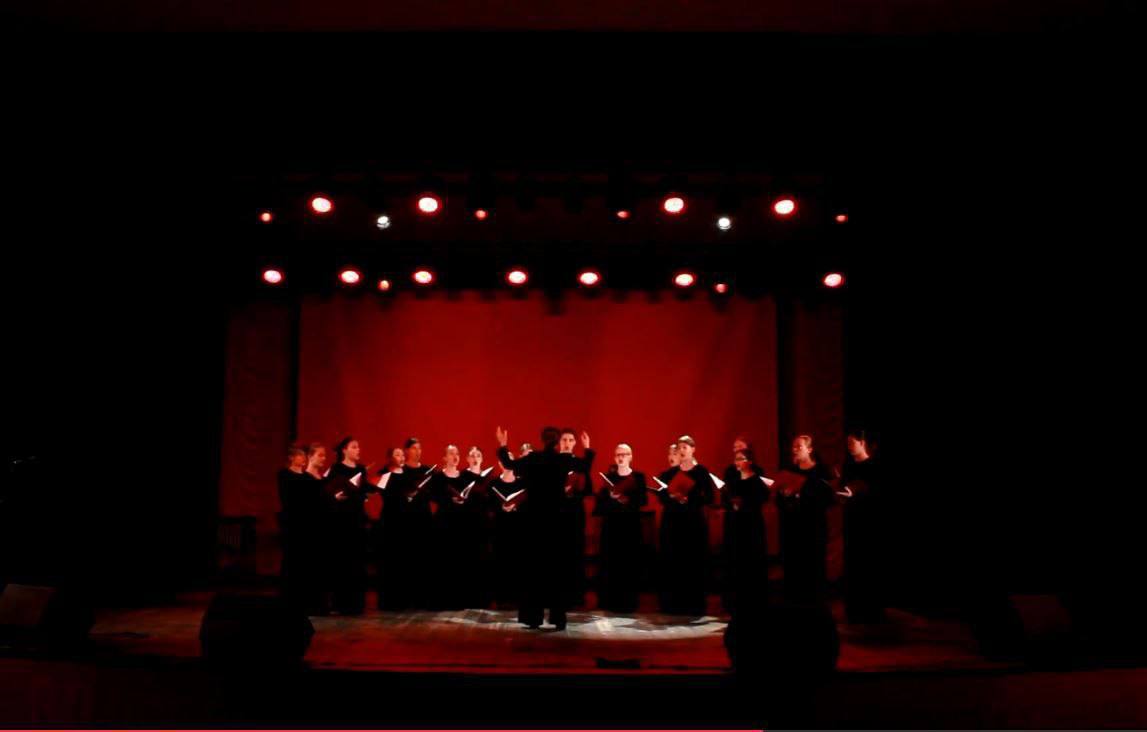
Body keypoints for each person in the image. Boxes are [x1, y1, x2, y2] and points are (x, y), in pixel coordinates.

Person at [496, 424, 585, 630]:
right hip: (556, 521)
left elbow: (509, 463)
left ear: (542, 440)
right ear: (557, 441)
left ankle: (533, 617)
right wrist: (588, 448)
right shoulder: (563, 460)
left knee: (534, 570)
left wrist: (502, 444)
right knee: (556, 571)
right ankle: (558, 618)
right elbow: (585, 465)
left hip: (534, 521)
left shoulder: (532, 458)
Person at [656, 435, 716, 616]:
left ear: (693, 449)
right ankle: (673, 604)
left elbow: (710, 497)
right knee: (674, 562)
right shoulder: (670, 473)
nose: (681, 450)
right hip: (673, 524)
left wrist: (690, 498)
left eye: (685, 447)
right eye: (679, 447)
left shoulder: (701, 472)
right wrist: (672, 497)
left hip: (693, 524)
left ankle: (694, 604)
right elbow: (661, 496)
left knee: (693, 563)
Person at [775, 434, 837, 605]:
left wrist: (802, 493)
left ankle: (815, 606)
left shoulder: (821, 471)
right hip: (793, 528)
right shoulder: (789, 470)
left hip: (813, 528)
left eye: (799, 446)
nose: (794, 449)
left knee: (814, 569)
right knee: (793, 569)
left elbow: (828, 498)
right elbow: (779, 500)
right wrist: (785, 495)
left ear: (809, 449)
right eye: (793, 446)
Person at [430, 444, 490, 609]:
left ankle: (460, 599)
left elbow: (471, 496)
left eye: (457, 453)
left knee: (460, 561)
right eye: (451, 453)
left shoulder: (464, 476)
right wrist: (449, 499)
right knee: (445, 561)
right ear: (444, 458)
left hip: (461, 523)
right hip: (444, 522)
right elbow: (434, 496)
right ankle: (444, 599)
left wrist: (463, 500)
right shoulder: (438, 477)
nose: (455, 456)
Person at [593, 443, 647, 613]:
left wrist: (626, 499)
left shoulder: (638, 477)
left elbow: (643, 500)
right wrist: (610, 497)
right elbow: (599, 505)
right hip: (612, 527)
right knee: (611, 564)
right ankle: (610, 600)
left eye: (624, 454)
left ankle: (629, 601)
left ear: (631, 456)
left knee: (629, 564)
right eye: (618, 455)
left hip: (630, 527)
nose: (621, 457)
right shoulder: (609, 478)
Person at [840, 429, 886, 623]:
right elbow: (841, 489)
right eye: (847, 444)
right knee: (853, 565)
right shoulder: (848, 467)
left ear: (862, 443)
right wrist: (842, 493)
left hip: (869, 523)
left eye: (852, 443)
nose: (849, 447)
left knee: (869, 565)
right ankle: (854, 609)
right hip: (852, 522)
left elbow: (878, 493)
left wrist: (860, 491)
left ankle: (871, 610)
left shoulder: (874, 466)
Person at [326, 436, 372, 615]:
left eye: (358, 447)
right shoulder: (336, 468)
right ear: (344, 450)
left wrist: (368, 492)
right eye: (354, 447)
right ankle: (340, 603)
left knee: (357, 561)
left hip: (357, 520)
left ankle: (356, 603)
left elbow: (363, 491)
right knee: (342, 561)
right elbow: (328, 491)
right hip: (341, 520)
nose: (358, 450)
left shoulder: (361, 469)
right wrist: (334, 496)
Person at [721, 447, 770, 614]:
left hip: (751, 526)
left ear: (749, 461)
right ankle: (735, 602)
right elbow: (725, 500)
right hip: (735, 526)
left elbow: (761, 499)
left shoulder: (757, 481)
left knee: (752, 563)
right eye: (735, 459)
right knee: (736, 563)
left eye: (740, 458)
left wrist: (744, 503)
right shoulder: (733, 481)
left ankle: (754, 602)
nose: (737, 462)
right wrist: (731, 503)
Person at [278, 444, 325, 614]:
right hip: (293, 524)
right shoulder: (284, 475)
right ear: (291, 458)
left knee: (305, 563)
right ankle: (289, 600)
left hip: (307, 525)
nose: (303, 458)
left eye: (304, 455)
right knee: (292, 561)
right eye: (299, 455)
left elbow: (316, 498)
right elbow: (289, 497)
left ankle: (306, 601)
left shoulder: (307, 477)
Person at [558, 427, 595, 607]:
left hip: (574, 513)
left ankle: (575, 595)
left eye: (570, 440)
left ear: (574, 443)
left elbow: (588, 489)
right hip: (557, 513)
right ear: (559, 442)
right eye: (564, 440)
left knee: (575, 552)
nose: (567, 443)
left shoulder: (580, 464)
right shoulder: (553, 462)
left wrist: (587, 447)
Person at [488, 446, 529, 609]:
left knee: (517, 561)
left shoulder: (522, 483)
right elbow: (489, 505)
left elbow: (528, 504)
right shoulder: (493, 483)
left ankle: (517, 597)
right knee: (500, 560)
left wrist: (515, 506)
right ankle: (501, 597)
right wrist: (500, 507)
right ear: (500, 463)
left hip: (517, 528)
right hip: (500, 527)